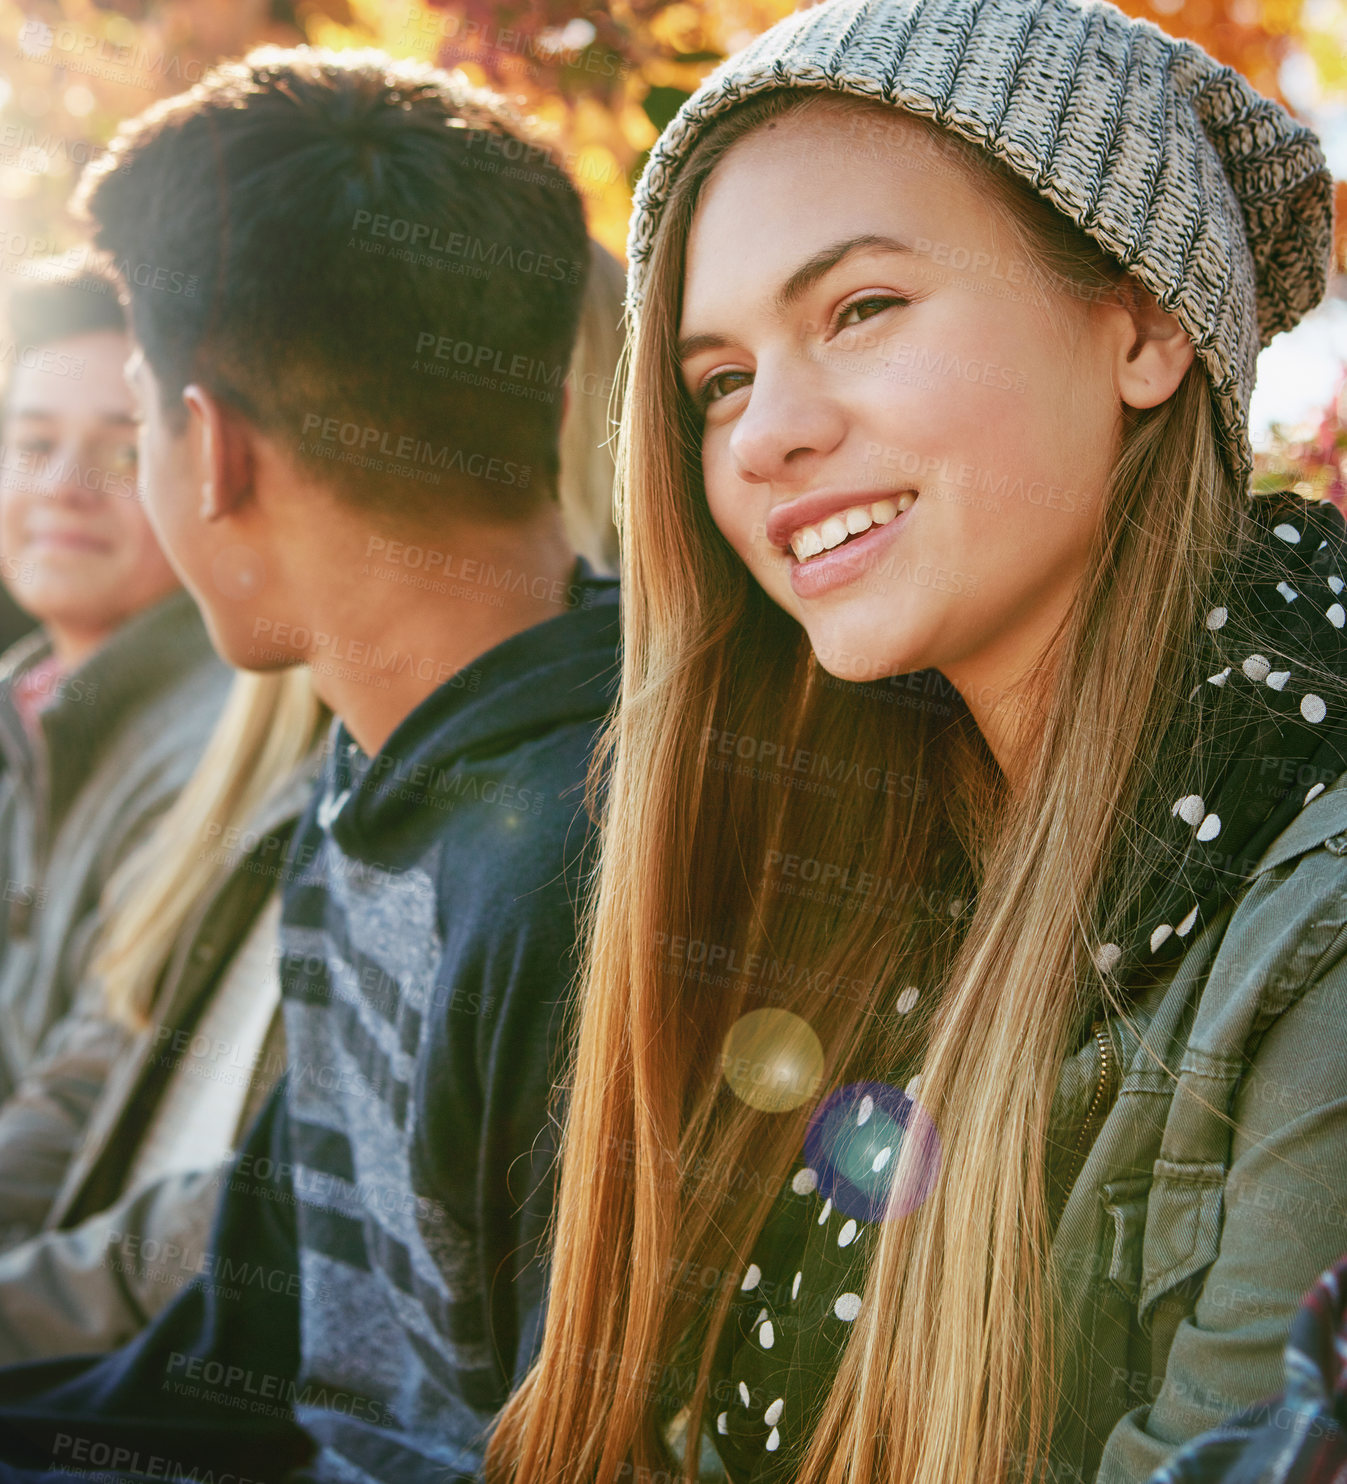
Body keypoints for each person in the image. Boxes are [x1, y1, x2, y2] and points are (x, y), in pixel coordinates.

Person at [484, 1, 1347, 1482]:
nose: (759, 438)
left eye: (860, 309)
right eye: (719, 382)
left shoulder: (1310, 940)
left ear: (1139, 323)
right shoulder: (843, 868)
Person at [0, 43, 617, 1484]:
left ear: (206, 451)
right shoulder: (374, 779)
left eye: (135, 421)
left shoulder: (571, 863)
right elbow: (252, 1353)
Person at [0, 668, 325, 1360]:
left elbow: (273, 1200)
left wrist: (23, 1306)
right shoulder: (248, 766)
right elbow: (89, 1060)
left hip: (186, 1379)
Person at [0, 264, 230, 1109]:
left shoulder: (213, 750)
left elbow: (85, 1110)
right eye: (32, 445)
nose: (63, 486)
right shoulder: (28, 709)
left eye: (124, 451)